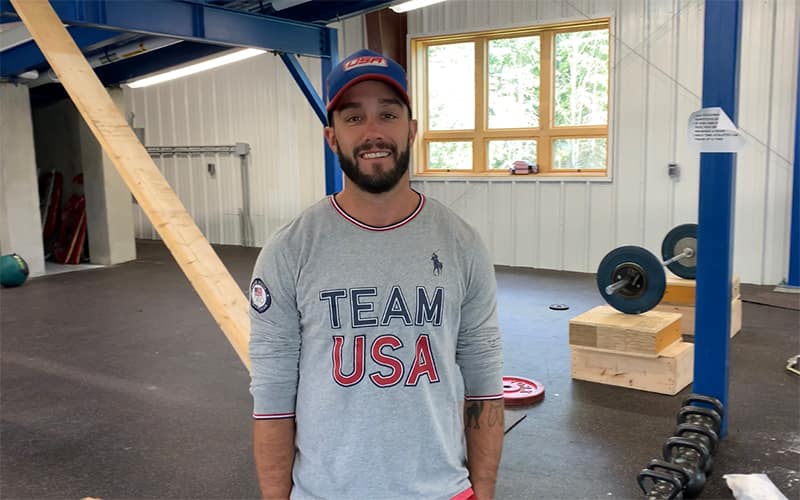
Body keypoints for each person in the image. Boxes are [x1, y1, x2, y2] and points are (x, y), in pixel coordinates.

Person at [248, 48, 504, 500]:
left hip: (442, 490)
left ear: (411, 130)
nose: (372, 132)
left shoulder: (462, 243)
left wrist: (483, 491)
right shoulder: (290, 250)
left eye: (387, 114)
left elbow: (484, 384)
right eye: (353, 118)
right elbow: (272, 399)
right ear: (331, 137)